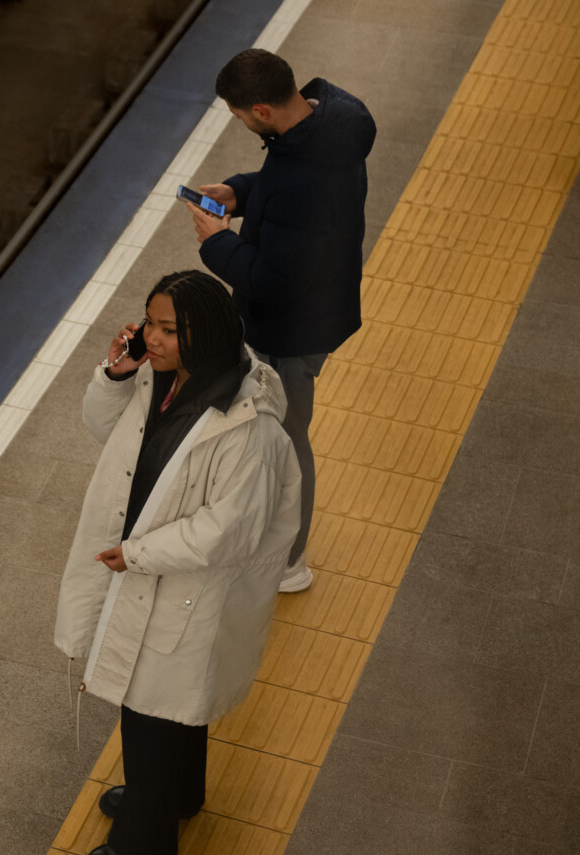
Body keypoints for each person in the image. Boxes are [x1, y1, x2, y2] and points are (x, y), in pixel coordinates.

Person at [55, 270, 300, 855]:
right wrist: (114, 374)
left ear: (206, 333)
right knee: (173, 710)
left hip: (187, 584)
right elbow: (108, 433)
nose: (153, 338)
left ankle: (146, 840)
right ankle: (177, 798)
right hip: (157, 571)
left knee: (148, 715)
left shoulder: (249, 427)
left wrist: (136, 556)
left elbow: (229, 530)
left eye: (169, 329)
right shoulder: (161, 378)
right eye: (151, 323)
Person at [184, 49, 375, 592]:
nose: (242, 124)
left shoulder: (303, 176)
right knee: (275, 432)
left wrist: (215, 243)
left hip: (295, 329)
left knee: (288, 440)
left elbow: (271, 279)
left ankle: (289, 562)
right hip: (316, 305)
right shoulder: (324, 122)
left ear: (262, 110)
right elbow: (282, 177)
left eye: (241, 115)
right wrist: (240, 193)